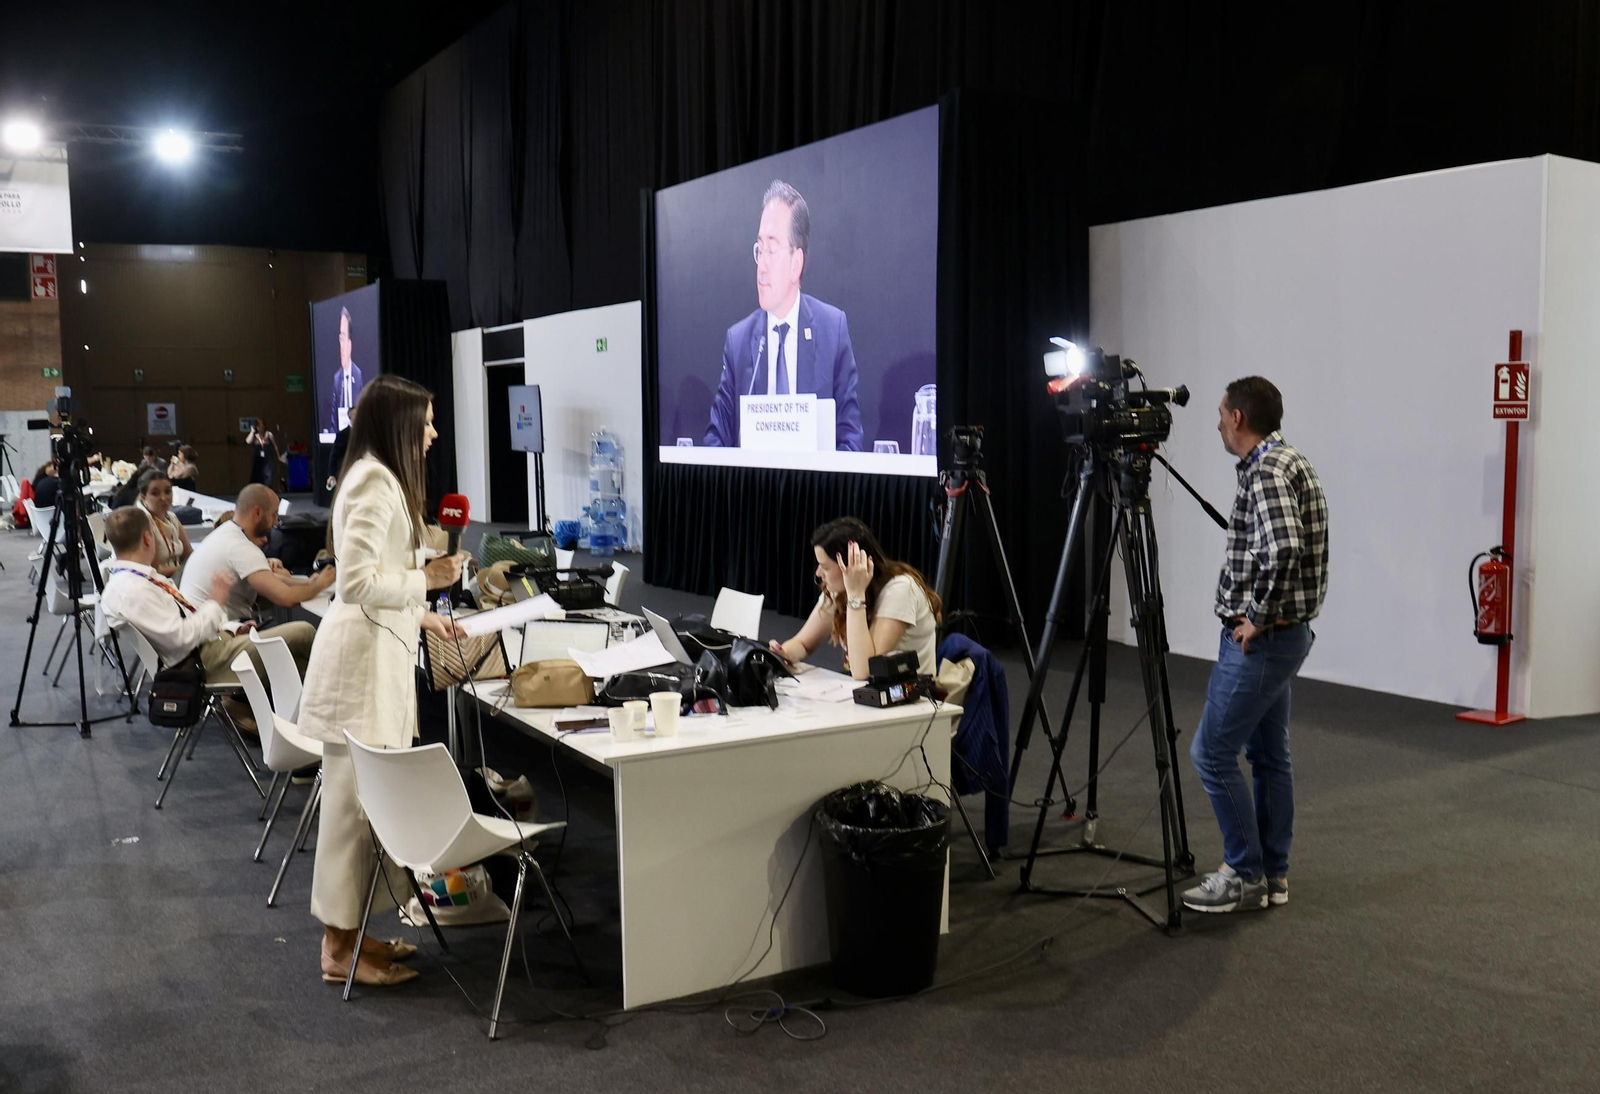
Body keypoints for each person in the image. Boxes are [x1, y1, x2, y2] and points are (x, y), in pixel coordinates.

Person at [296, 374, 466, 987]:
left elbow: (380, 579)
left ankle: (357, 939)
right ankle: (338, 952)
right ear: (399, 424)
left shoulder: (378, 476)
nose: (432, 435)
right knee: (350, 817)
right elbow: (355, 584)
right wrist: (432, 580)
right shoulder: (372, 479)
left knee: (369, 815)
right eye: (424, 423)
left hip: (377, 663)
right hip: (361, 674)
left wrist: (423, 614)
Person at [1182, 377, 1329, 915]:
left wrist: (1258, 619)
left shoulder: (1266, 471)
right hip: (1286, 638)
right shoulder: (1288, 460)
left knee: (1211, 754)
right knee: (1269, 757)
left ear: (1239, 418)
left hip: (1264, 643)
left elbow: (1283, 547)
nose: (1218, 421)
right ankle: (1274, 874)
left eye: (1222, 412)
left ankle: (1241, 871)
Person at [703, 180, 863, 451]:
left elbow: (851, 440)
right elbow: (715, 440)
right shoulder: (739, 341)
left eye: (772, 249)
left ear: (795, 263)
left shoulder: (831, 331)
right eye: (759, 249)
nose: (761, 266)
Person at [94, 507, 317, 692]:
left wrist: (231, 628)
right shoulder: (133, 589)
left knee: (296, 654)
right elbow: (181, 638)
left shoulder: (135, 580)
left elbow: (181, 624)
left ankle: (277, 717)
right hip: (204, 662)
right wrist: (215, 602)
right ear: (147, 537)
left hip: (208, 648)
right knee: (304, 632)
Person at [770, 517, 940, 680]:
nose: (818, 573)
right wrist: (783, 654)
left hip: (913, 699)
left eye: (825, 567)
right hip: (865, 693)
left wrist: (855, 595)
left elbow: (866, 670)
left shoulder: (900, 590)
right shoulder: (839, 590)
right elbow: (803, 644)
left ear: (850, 565)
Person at [180, 483, 335, 630]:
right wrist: (320, 584)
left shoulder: (225, 535)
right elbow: (286, 598)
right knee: (305, 632)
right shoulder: (240, 547)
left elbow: (269, 589)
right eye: (273, 515)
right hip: (215, 637)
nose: (275, 523)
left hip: (204, 631)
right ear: (257, 512)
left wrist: (307, 583)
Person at [134, 470, 194, 579]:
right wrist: (186, 569)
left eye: (167, 492)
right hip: (153, 583)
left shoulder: (172, 517)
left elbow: (189, 555)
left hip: (175, 578)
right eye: (155, 493)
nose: (163, 498)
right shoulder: (142, 521)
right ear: (143, 497)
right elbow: (154, 571)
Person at [328, 306, 365, 433]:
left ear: (350, 344)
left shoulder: (359, 375)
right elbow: (333, 422)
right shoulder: (337, 379)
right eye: (340, 338)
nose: (341, 346)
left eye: (344, 338)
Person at [246, 421, 278, 487]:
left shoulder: (268, 434)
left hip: (267, 459)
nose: (261, 428)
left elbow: (275, 446)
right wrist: (252, 431)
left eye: (262, 426)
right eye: (259, 426)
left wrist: (278, 456)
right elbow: (248, 441)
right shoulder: (255, 435)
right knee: (257, 474)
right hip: (258, 458)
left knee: (267, 474)